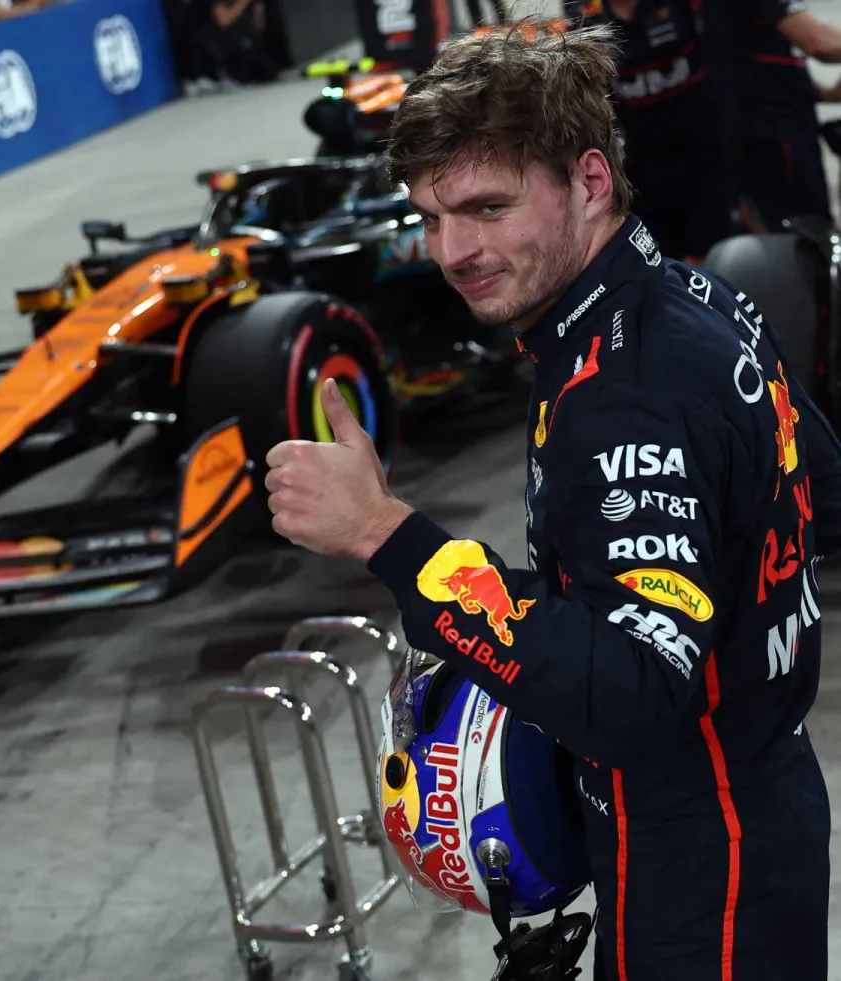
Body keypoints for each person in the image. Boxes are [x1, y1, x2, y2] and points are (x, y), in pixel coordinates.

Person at [264, 22, 839, 980]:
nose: (454, 250)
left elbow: (628, 696)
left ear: (591, 179)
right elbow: (811, 485)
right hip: (744, 809)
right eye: (431, 218)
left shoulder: (625, 393)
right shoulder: (693, 300)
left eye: (488, 208)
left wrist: (387, 534)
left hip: (702, 857)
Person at [568, 0, 738, 262]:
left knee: (715, 256)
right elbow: (582, 86)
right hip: (638, 167)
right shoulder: (582, 10)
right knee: (657, 260)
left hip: (703, 156)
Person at [720, 0, 841, 228]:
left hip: (785, 126)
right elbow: (818, 43)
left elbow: (763, 54)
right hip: (769, 137)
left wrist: (824, 94)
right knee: (803, 235)